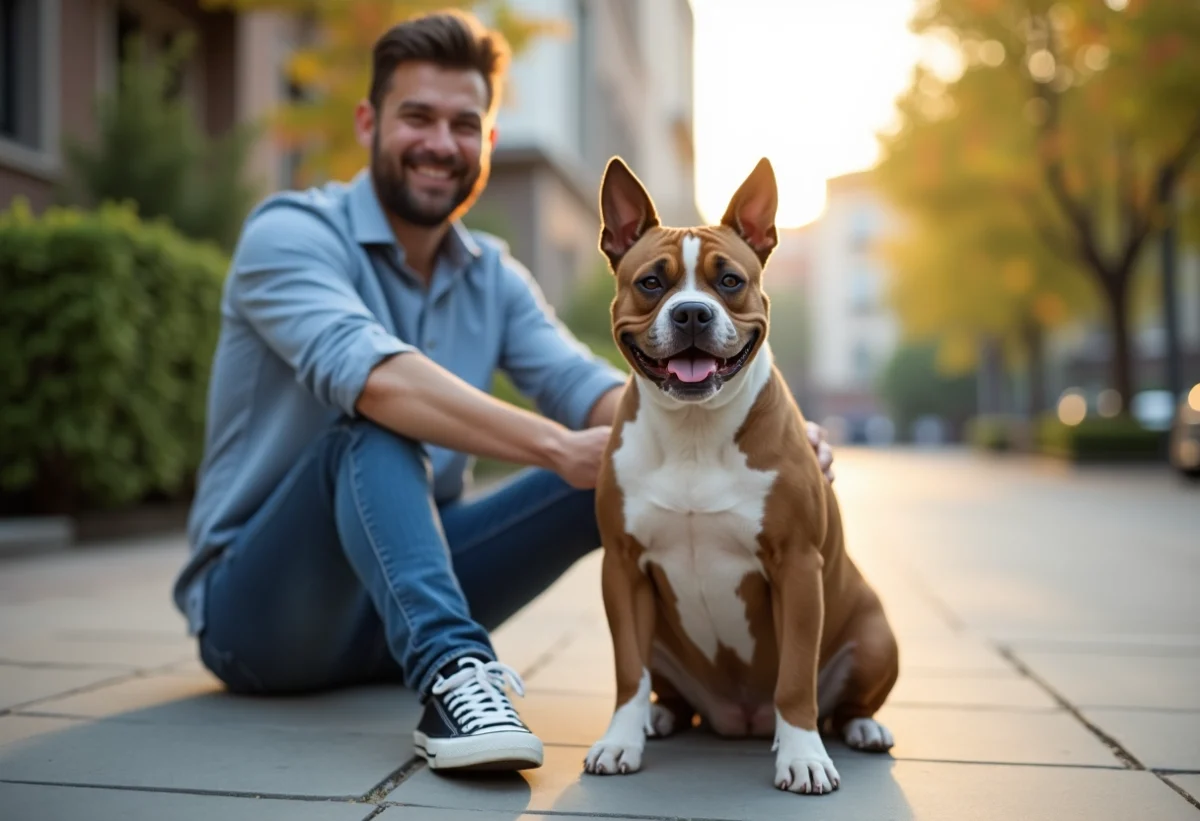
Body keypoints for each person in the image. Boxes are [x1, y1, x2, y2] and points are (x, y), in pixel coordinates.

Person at [172, 9, 835, 773]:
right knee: (369, 429)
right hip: (264, 617)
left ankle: (606, 671)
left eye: (464, 123)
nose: (439, 142)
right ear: (367, 122)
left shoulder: (491, 274)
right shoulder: (287, 235)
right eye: (416, 116)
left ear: (487, 143)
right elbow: (376, 379)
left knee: (624, 468)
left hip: (405, 599)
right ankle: (455, 670)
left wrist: (769, 433)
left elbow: (590, 385)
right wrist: (558, 445)